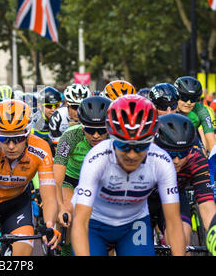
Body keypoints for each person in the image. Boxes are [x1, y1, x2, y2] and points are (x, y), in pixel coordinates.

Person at [71, 94, 186, 256]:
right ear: (112, 137)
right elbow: (80, 222)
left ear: (152, 140)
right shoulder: (97, 157)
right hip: (93, 223)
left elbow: (174, 222)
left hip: (134, 224)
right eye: (124, 145)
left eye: (140, 146)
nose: (131, 155)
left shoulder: (161, 161)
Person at [0, 100, 61, 256]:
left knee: (22, 255)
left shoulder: (41, 149)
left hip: (17, 204)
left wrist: (49, 225)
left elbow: (49, 198)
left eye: (18, 138)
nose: (11, 146)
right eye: (4, 139)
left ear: (28, 133)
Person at [53, 96, 112, 256]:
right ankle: (66, 248)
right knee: (68, 211)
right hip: (71, 180)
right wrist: (60, 208)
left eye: (101, 130)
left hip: (101, 181)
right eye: (89, 130)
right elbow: (57, 180)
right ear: (81, 126)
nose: (96, 136)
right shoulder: (70, 136)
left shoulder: (116, 138)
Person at [149, 113, 216, 252]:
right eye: (171, 154)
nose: (177, 160)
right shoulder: (145, 156)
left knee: (183, 243)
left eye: (182, 153)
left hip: (175, 197)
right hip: (143, 201)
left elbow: (207, 207)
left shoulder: (196, 159)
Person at [174, 76, 215, 153]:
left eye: (193, 99)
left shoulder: (201, 109)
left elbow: (211, 141)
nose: (189, 103)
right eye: (184, 98)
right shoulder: (169, 106)